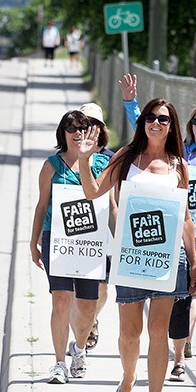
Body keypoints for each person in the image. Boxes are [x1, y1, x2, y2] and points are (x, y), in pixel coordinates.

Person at [77, 98, 196, 392]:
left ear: (172, 126)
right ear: (143, 121)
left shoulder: (179, 166)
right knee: (130, 332)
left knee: (158, 328)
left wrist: (194, 263)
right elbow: (92, 192)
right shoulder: (126, 157)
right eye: (150, 117)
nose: (155, 123)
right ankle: (128, 380)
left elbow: (186, 219)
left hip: (168, 259)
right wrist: (84, 159)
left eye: (162, 119)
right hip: (131, 257)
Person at [118, 74, 196, 389]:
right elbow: (149, 129)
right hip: (175, 245)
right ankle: (179, 358)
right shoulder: (178, 157)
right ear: (189, 125)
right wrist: (131, 102)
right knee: (181, 304)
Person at [30, 110, 111, 384]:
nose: (77, 133)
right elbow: (42, 205)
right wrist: (34, 242)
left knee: (88, 307)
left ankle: (78, 348)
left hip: (91, 242)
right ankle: (59, 363)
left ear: (92, 132)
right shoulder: (51, 166)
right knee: (61, 299)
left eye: (83, 128)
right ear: (62, 133)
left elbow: (109, 202)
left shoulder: (102, 163)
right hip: (58, 240)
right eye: (72, 128)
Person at [78, 103, 115, 351]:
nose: (89, 129)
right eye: (83, 124)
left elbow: (114, 200)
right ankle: (81, 332)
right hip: (75, 231)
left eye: (94, 124)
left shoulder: (111, 159)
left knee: (102, 289)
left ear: (101, 129)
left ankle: (91, 321)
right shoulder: (69, 154)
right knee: (76, 291)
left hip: (103, 234)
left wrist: (120, 234)